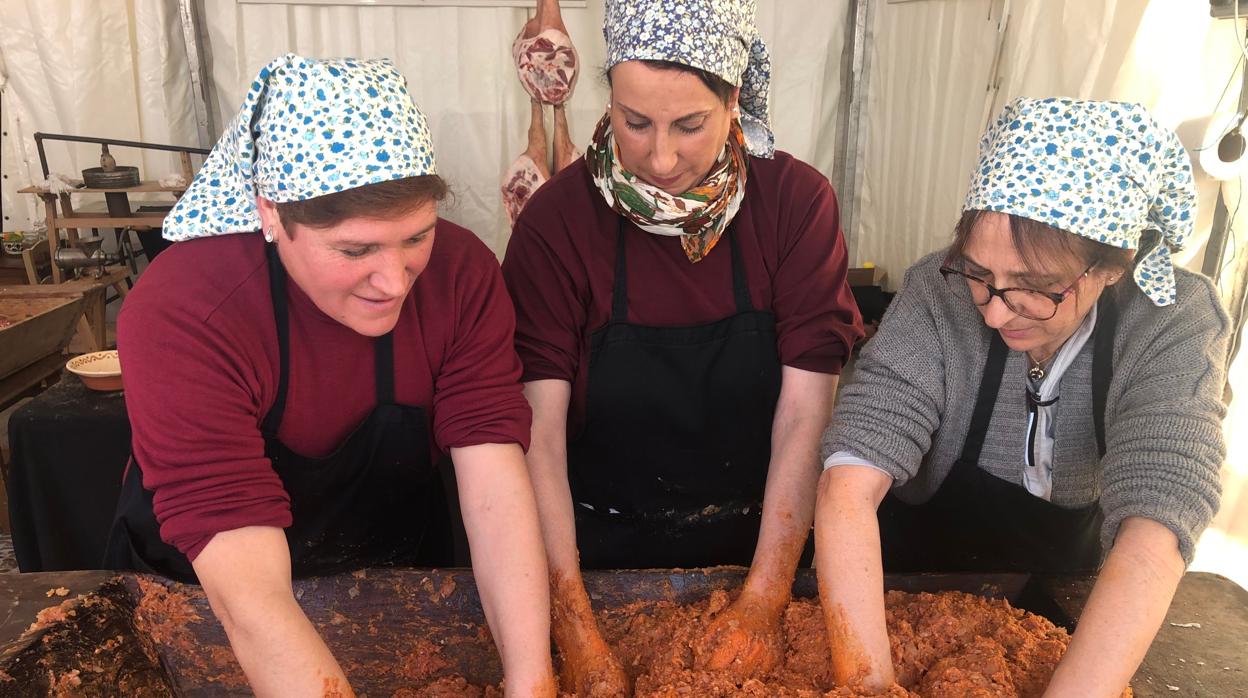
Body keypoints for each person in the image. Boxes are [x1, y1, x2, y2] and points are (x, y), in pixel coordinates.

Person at [105, 55, 556, 697]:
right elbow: (250, 590)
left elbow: (492, 481)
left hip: (389, 579)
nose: (394, 282)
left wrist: (531, 682)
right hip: (206, 604)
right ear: (270, 214)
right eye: (355, 251)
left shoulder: (461, 274)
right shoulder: (186, 307)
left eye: (416, 238)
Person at [501, 0, 863, 691]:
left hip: (762, 537)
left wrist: (762, 600)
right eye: (635, 122)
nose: (660, 157)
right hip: (598, 546)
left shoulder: (794, 203)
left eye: (690, 125)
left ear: (733, 100)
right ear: (609, 97)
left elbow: (805, 416)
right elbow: (537, 434)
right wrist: (572, 617)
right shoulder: (559, 220)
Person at [815, 97, 1229, 695]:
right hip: (904, 588)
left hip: (1072, 603)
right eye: (980, 274)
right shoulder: (937, 291)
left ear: (1114, 265)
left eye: (1035, 288)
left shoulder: (1172, 320)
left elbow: (1158, 519)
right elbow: (849, 477)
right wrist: (869, 685)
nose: (994, 312)